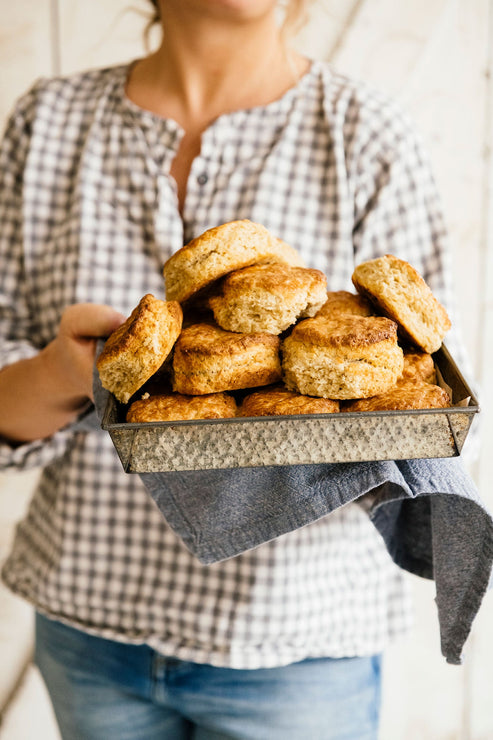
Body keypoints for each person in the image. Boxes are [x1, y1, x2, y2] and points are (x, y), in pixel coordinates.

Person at [0, 1, 467, 738]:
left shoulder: (364, 131)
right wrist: (71, 371)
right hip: (87, 615)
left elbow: (423, 382)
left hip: (295, 645)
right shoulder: (48, 121)